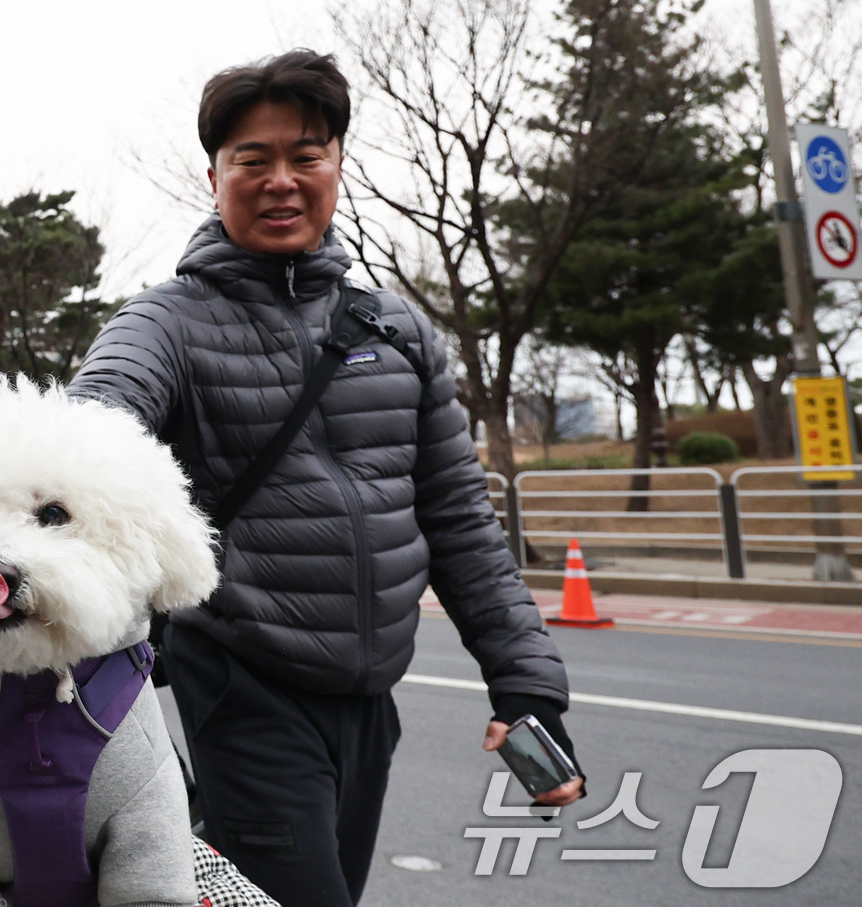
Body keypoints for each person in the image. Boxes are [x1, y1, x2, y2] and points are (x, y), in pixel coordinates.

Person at [68, 50, 584, 907]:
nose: (281, 180)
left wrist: (526, 683)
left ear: (337, 165)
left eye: (305, 156)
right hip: (243, 683)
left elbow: (459, 524)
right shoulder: (166, 322)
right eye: (252, 160)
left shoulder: (396, 328)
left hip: (370, 698)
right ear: (214, 175)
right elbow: (85, 432)